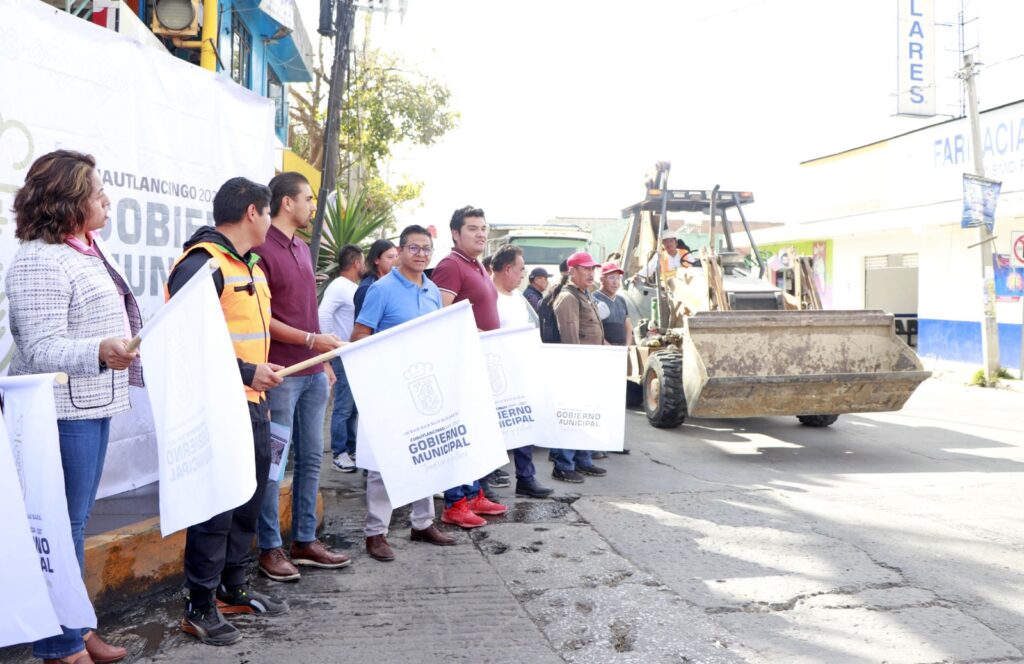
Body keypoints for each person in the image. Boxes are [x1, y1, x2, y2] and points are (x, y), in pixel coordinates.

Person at [6, 150, 139, 664]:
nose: (107, 199)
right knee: (58, 529)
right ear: (67, 201)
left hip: (91, 404)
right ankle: (59, 644)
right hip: (59, 412)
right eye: (97, 191)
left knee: (74, 523)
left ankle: (78, 628)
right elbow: (40, 349)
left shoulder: (84, 248)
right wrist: (98, 351)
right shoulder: (40, 258)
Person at [166, 177, 288, 646]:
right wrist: (245, 372)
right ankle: (198, 606)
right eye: (269, 212)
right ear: (254, 212)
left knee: (246, 500)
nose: (271, 221)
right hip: (218, 406)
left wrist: (257, 372)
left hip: (253, 403)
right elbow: (187, 341)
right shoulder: (202, 264)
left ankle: (232, 588)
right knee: (216, 505)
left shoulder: (250, 265)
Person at [255, 172, 350, 583]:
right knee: (273, 465)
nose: (314, 206)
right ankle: (269, 547)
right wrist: (312, 340)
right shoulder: (261, 248)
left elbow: (307, 310)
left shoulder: (302, 248)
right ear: (286, 203)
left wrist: (323, 360)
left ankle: (305, 539)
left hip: (311, 372)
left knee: (312, 459)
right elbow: (264, 318)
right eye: (308, 199)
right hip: (280, 374)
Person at [350, 225, 458, 561]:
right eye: (415, 248)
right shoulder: (381, 290)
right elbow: (358, 336)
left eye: (427, 249)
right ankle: (376, 533)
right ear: (400, 250)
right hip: (388, 388)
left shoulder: (431, 292)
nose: (422, 254)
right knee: (383, 462)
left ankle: (422, 523)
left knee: (426, 454)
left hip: (423, 388)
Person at [430, 206, 509, 527]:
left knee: (477, 431)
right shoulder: (451, 265)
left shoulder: (476, 265)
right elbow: (441, 315)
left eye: (484, 228)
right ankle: (454, 502)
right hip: (459, 363)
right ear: (455, 234)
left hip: (481, 362)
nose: (481, 234)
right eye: (473, 228)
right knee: (460, 433)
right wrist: (477, 334)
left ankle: (474, 493)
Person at [490, 245, 554, 499]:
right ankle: (483, 484)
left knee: (523, 425)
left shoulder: (517, 297)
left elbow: (532, 326)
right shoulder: (488, 295)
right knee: (493, 430)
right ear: (507, 269)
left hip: (521, 372)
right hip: (497, 377)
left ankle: (526, 479)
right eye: (520, 270)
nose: (521, 275)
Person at [550, 251, 608, 483]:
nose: (590, 272)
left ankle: (583, 461)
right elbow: (570, 336)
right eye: (585, 268)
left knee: (585, 417)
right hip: (577, 366)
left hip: (590, 365)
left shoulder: (585, 294)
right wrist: (575, 368)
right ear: (572, 271)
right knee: (572, 419)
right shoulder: (568, 298)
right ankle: (564, 465)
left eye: (592, 268)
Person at [318, 244, 365, 473]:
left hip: (353, 353)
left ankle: (351, 448)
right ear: (356, 263)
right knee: (344, 405)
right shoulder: (338, 286)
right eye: (363, 261)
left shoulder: (350, 286)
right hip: (342, 353)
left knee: (353, 406)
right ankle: (339, 453)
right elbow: (323, 313)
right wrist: (331, 345)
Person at [353, 239, 398, 321]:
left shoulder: (396, 283)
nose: (395, 261)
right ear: (376, 260)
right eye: (390, 257)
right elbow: (360, 327)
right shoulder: (367, 288)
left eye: (396, 256)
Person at [594, 262, 635, 347]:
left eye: (618, 278)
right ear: (601, 279)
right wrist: (609, 347)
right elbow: (592, 329)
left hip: (622, 349)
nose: (615, 282)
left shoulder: (621, 300)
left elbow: (628, 326)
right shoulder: (593, 299)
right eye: (611, 277)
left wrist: (627, 346)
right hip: (602, 349)